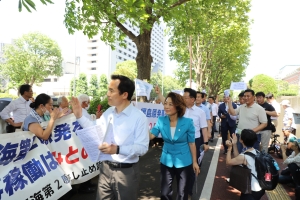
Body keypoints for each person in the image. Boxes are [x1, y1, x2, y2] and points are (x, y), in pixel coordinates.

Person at [71, 75, 149, 200]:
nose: (107, 94)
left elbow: (142, 148)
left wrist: (117, 149)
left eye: (111, 91)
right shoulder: (109, 112)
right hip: (105, 169)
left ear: (124, 94)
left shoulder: (139, 117)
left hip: (126, 173)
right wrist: (80, 116)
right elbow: (94, 129)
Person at [149, 92, 200, 200]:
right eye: (165, 103)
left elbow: (192, 143)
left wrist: (195, 162)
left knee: (182, 193)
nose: (166, 106)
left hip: (184, 161)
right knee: (164, 193)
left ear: (178, 106)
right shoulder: (161, 120)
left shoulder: (188, 122)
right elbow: (151, 135)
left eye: (170, 104)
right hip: (166, 160)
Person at [225, 130, 265, 200]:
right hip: (260, 187)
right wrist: (234, 144)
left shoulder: (244, 156)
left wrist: (229, 148)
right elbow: (238, 158)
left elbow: (228, 162)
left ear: (241, 140)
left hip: (251, 190)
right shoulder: (256, 151)